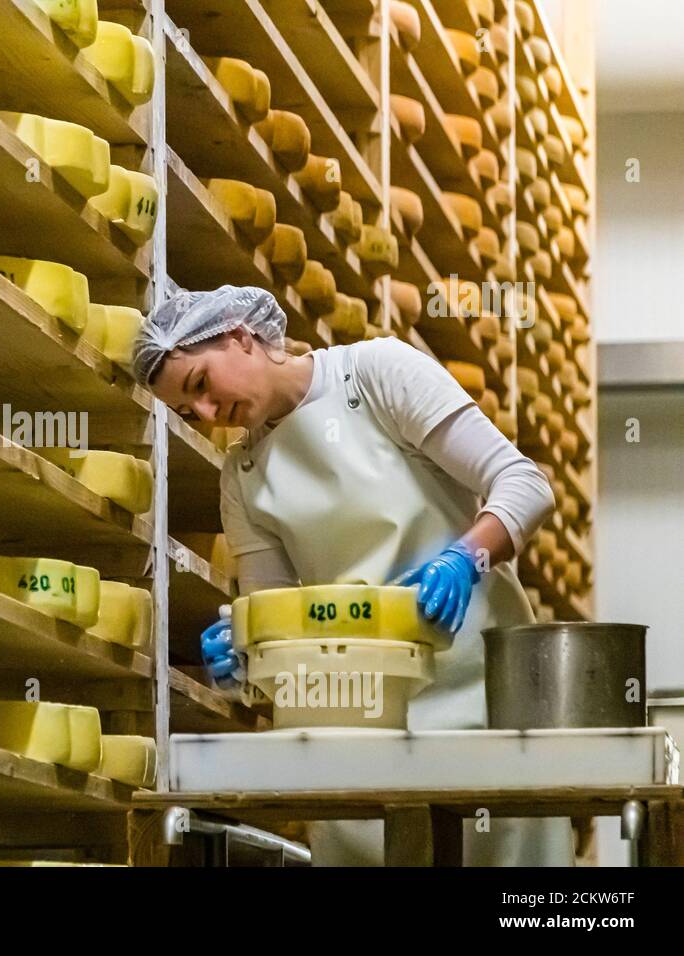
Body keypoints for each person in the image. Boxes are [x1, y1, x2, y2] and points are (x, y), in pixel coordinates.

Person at [133, 285, 574, 866]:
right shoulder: (241, 478)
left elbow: (524, 484)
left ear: (240, 337)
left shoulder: (374, 374)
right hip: (358, 724)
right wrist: (247, 657)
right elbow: (276, 634)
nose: (210, 416)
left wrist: (467, 558)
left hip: (478, 693)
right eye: (191, 413)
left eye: (201, 385)